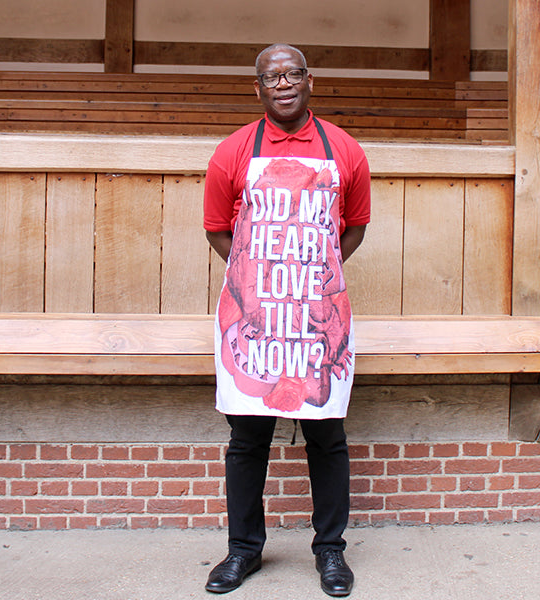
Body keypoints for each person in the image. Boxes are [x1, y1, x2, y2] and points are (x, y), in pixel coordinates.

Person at [202, 43, 370, 597]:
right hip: (257, 320)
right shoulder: (232, 151)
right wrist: (259, 277)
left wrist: (308, 277)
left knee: (328, 438)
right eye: (271, 76)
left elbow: (356, 226)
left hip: (315, 320)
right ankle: (242, 552)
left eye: (292, 73)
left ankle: (331, 554)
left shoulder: (344, 150)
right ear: (258, 88)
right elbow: (215, 229)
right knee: (248, 440)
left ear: (309, 80)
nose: (283, 83)